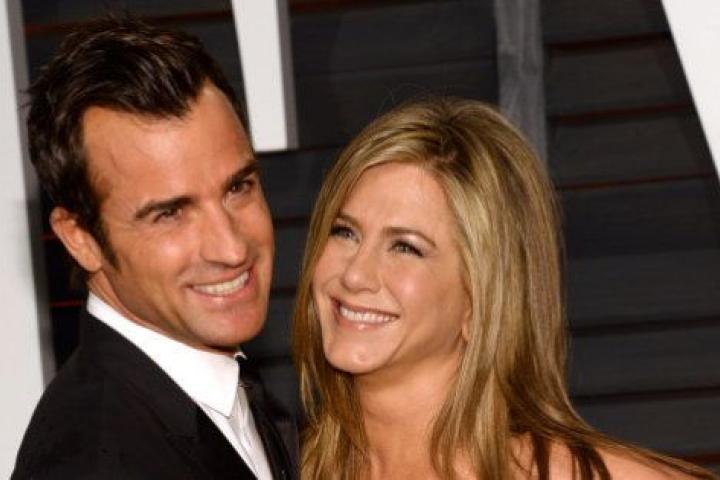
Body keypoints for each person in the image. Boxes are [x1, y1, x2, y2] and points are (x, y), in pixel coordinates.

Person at [292, 98, 716, 479]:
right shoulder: (276, 466)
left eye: (406, 247)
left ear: (482, 298)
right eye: (344, 232)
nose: (355, 275)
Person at [13, 17, 295, 480]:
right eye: (170, 214)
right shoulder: (92, 462)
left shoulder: (210, 385)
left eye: (238, 187)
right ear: (80, 238)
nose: (231, 248)